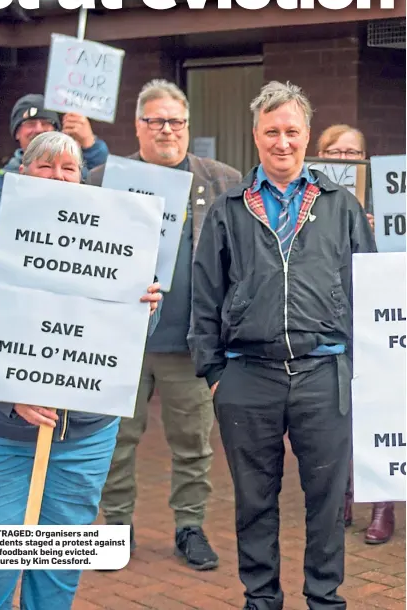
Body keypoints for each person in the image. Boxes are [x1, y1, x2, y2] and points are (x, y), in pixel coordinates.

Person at [0, 131, 163, 610]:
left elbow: (122, 341)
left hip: (83, 432)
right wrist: (10, 392)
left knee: (59, 552)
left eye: (68, 169)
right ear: (23, 173)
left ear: (83, 182)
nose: (57, 176)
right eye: (44, 165)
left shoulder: (115, 240)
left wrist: (146, 309)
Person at [191, 81, 376, 610]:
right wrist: (213, 371)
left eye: (292, 131)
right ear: (255, 137)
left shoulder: (339, 205)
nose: (282, 142)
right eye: (271, 132)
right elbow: (206, 292)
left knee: (325, 501)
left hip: (324, 372)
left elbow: (366, 287)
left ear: (307, 136)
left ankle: (324, 598)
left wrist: (358, 369)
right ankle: (261, 598)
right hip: (248, 373)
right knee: (254, 500)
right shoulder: (229, 207)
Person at [89, 79, 241, 570]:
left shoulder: (221, 180)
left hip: (191, 343)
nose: (167, 130)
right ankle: (117, 526)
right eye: (156, 120)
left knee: (194, 442)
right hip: (121, 340)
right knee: (114, 438)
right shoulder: (104, 179)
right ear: (138, 126)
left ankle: (189, 526)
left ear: (187, 126)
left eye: (176, 121)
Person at [317, 124, 395, 545]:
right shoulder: (311, 202)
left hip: (380, 322)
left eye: (352, 153)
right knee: (338, 412)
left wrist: (376, 232)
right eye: (335, 152)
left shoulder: (388, 201)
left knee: (381, 410)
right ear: (320, 155)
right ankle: (344, 495)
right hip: (332, 321)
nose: (344, 160)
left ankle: (383, 505)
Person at [0, 93, 109, 210]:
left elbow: (103, 182)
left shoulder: (78, 171)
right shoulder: (3, 178)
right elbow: (10, 218)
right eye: (30, 124)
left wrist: (89, 142)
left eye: (46, 123)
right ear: (17, 133)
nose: (39, 129)